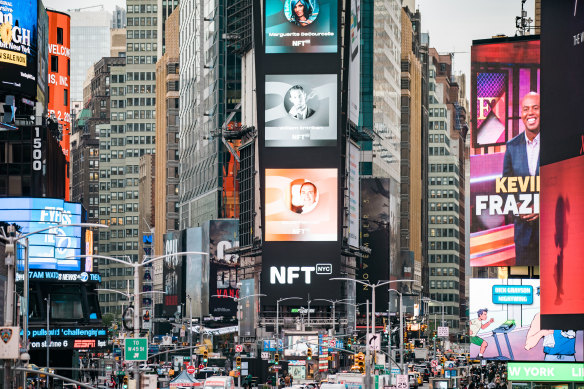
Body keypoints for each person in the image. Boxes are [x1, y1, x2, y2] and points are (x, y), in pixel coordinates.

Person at [502, 91, 540, 266]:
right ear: (521, 114)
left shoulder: (556, 143)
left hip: (551, 233)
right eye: (526, 109)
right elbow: (505, 189)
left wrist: (541, 207)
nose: (530, 113)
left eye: (535, 108)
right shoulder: (511, 147)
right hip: (523, 235)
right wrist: (517, 207)